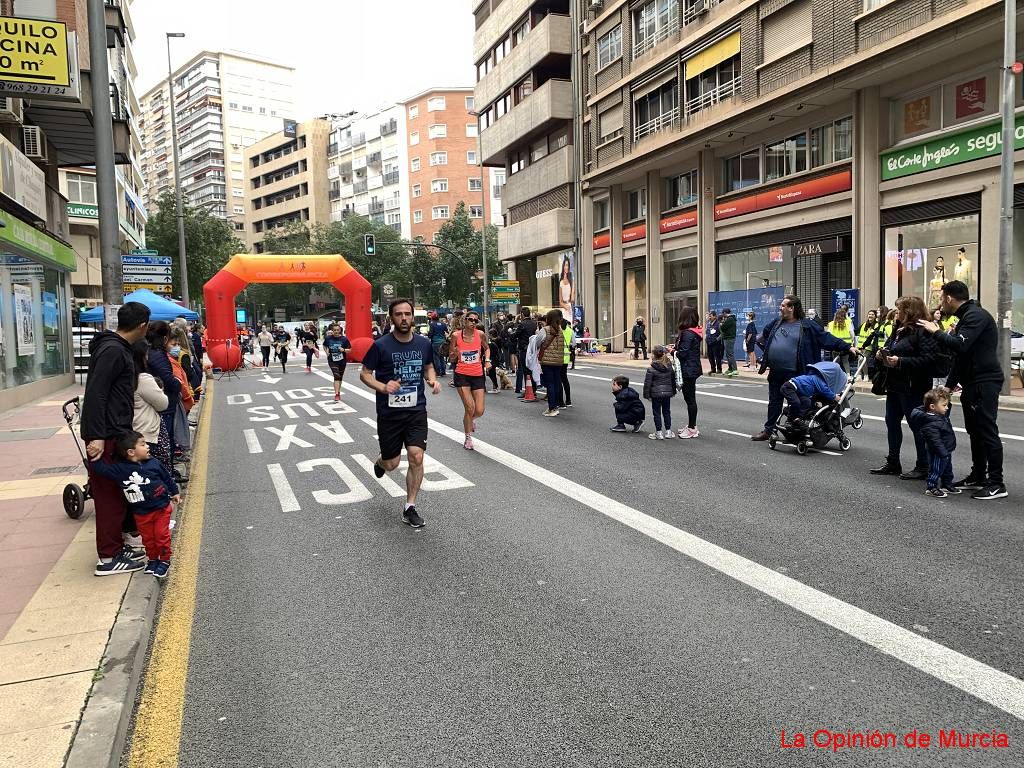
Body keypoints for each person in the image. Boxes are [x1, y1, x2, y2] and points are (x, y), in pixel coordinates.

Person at [917, 280, 1006, 500]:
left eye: (941, 298)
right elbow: (961, 357)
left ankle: (997, 483)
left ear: (949, 298)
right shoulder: (967, 317)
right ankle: (978, 476)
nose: (940, 304)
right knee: (975, 431)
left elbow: (960, 345)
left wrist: (936, 332)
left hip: (985, 382)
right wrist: (948, 385)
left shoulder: (976, 316)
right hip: (972, 382)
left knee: (987, 432)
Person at [81, 302, 152, 576]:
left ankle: (116, 547)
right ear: (142, 325)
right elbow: (97, 394)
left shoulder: (116, 348)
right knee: (109, 496)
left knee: (118, 494)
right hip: (106, 435)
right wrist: (97, 436)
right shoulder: (112, 351)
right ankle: (108, 557)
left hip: (115, 433)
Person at [360, 298, 441, 528]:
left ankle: (410, 507)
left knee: (417, 456)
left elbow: (428, 366)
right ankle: (381, 461)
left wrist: (432, 380)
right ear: (391, 318)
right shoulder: (381, 345)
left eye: (407, 314)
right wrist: (384, 387)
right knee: (392, 463)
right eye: (399, 314)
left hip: (416, 411)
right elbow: (365, 374)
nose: (404, 318)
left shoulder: (423, 343)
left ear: (413, 316)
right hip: (389, 415)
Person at [751, 295, 855, 441]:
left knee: (798, 403)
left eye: (783, 305)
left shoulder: (807, 325)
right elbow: (764, 336)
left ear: (792, 308)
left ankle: (795, 430)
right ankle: (769, 430)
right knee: (774, 401)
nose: (780, 308)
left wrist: (847, 347)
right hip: (776, 371)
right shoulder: (777, 322)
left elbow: (825, 338)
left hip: (796, 373)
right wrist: (769, 351)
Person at [90, 431, 179, 580]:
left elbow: (166, 477)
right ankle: (152, 559)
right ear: (131, 452)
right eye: (143, 444)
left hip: (161, 508)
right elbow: (100, 469)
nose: (147, 446)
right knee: (148, 539)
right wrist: (94, 453)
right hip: (141, 513)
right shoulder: (120, 469)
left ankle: (164, 560)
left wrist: (175, 491)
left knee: (161, 536)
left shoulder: (154, 463)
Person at [868, 295, 937, 480]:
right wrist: (883, 355)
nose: (896, 312)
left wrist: (901, 361)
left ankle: (923, 465)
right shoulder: (898, 329)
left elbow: (929, 360)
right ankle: (893, 462)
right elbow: (893, 348)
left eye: (899, 309)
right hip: (895, 384)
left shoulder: (923, 330)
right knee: (891, 421)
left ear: (909, 311)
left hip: (914, 386)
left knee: (917, 425)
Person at [145, 322, 182, 480]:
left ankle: (169, 474)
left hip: (164, 404)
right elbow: (167, 378)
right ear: (165, 338)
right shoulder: (157, 355)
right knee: (166, 444)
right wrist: (177, 384)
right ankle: (168, 477)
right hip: (164, 406)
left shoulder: (153, 353)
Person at [450, 310, 490, 450]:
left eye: (475, 321)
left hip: (477, 374)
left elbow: (487, 348)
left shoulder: (480, 334)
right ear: (464, 320)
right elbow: (451, 357)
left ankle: (471, 419)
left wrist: (488, 361)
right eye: (470, 319)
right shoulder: (456, 336)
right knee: (470, 407)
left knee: (479, 410)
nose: (473, 322)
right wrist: (454, 354)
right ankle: (468, 437)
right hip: (462, 375)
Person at [909, 387, 958, 498]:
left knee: (947, 468)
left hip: (946, 449)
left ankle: (947, 483)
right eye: (944, 405)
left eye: (947, 405)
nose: (947, 408)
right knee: (936, 469)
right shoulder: (930, 422)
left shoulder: (940, 415)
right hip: (938, 451)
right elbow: (934, 440)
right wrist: (942, 452)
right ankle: (931, 487)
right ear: (932, 407)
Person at [132, 341, 171, 477]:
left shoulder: (124, 378)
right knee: (158, 472)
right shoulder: (143, 379)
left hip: (132, 432)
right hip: (148, 432)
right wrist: (160, 389)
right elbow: (162, 404)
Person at [674, 306, 703, 439]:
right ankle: (692, 426)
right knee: (690, 399)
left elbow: (683, 353)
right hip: (693, 368)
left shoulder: (687, 333)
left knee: (690, 399)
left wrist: (672, 352)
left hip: (688, 369)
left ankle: (692, 428)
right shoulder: (694, 332)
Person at [643, 346, 676, 439]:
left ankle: (659, 432)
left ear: (654, 355)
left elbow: (647, 384)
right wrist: (673, 391)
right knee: (667, 412)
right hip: (667, 393)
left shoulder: (651, 369)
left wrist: (647, 395)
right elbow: (672, 380)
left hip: (656, 394)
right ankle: (668, 432)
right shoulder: (669, 367)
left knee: (656, 413)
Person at [538, 309, 565, 416]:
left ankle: (552, 408)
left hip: (547, 361)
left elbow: (538, 342)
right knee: (556, 383)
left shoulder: (545, 330)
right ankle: (556, 405)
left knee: (550, 384)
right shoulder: (561, 330)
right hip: (558, 361)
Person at [322, 322, 351, 402]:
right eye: (334, 330)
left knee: (340, 377)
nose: (336, 331)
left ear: (340, 330)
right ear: (332, 331)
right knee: (336, 375)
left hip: (342, 360)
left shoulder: (344, 339)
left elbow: (350, 350)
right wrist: (326, 352)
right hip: (332, 360)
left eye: (338, 330)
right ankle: (337, 394)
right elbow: (324, 345)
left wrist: (344, 350)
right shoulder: (328, 338)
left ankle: (338, 391)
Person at [825, 305, 857, 374]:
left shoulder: (831, 324)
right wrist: (851, 341)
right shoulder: (848, 323)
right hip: (846, 345)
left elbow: (828, 334)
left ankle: (836, 375)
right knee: (845, 361)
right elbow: (852, 334)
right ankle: (848, 376)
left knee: (836, 361)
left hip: (835, 345)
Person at [514, 307, 537, 395]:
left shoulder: (522, 324)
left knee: (525, 370)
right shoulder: (534, 323)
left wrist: (510, 334)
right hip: (533, 349)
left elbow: (515, 335)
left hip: (524, 349)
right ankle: (533, 389)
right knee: (532, 369)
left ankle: (528, 390)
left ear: (522, 314)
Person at [856, 310, 880, 381]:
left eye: (872, 314)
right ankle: (860, 375)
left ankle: (864, 375)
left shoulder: (876, 325)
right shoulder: (864, 324)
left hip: (869, 347)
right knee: (861, 360)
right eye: (869, 314)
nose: (870, 315)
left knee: (862, 359)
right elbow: (857, 332)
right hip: (860, 346)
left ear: (875, 316)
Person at [428, 312, 450, 377]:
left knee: (436, 357)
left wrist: (429, 335)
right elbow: (447, 331)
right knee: (442, 357)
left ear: (432, 318)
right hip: (443, 342)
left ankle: (438, 372)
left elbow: (431, 334)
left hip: (435, 343)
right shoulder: (443, 324)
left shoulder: (432, 324)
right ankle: (443, 371)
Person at [559, 318, 574, 407]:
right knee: (565, 379)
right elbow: (574, 343)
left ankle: (561, 402)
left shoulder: (558, 330)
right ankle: (568, 400)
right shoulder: (570, 331)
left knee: (558, 380)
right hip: (566, 357)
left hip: (558, 356)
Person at [720, 308, 738, 377]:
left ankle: (734, 369)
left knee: (730, 354)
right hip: (728, 338)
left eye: (723, 313)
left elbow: (723, 328)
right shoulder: (730, 319)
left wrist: (722, 323)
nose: (722, 315)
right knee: (728, 354)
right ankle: (730, 369)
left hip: (729, 338)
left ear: (725, 313)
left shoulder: (729, 319)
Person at [558, 254, 574, 319]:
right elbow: (560, 301)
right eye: (565, 265)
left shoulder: (571, 279)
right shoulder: (561, 282)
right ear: (563, 266)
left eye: (568, 265)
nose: (566, 267)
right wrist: (565, 307)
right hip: (564, 308)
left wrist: (570, 306)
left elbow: (573, 296)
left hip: (570, 306)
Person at [486, 328, 502, 394]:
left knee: (492, 374)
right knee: (492, 373)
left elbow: (492, 352)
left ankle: (495, 387)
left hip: (492, 360)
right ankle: (495, 387)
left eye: (489, 334)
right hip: (495, 359)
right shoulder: (498, 340)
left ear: (491, 335)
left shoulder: (492, 343)